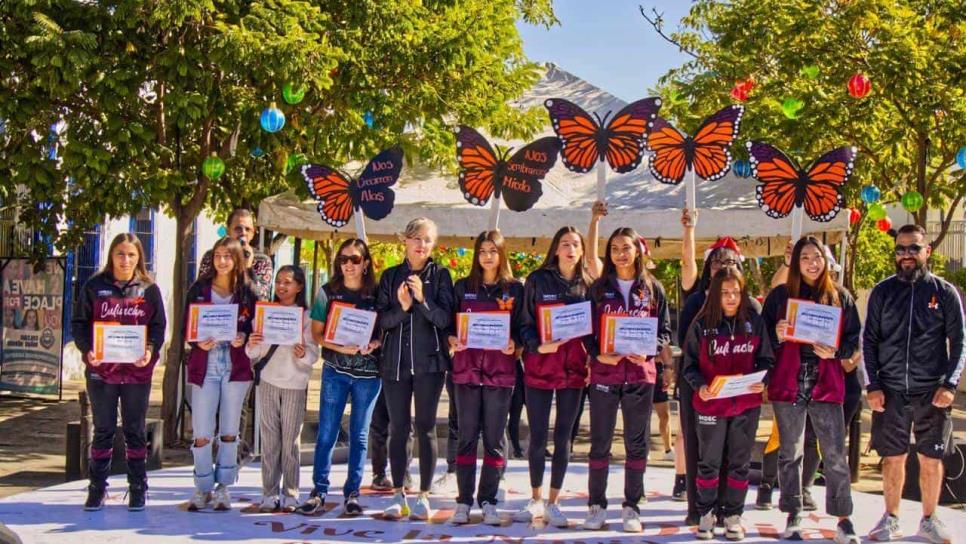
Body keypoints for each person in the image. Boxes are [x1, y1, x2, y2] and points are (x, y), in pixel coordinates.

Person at [864, 224, 962, 544]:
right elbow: (869, 341)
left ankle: (930, 519)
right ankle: (891, 518)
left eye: (913, 249)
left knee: (930, 460)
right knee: (893, 457)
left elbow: (959, 342)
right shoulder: (882, 292)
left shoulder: (945, 292)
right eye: (901, 249)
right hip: (890, 391)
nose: (906, 255)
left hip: (930, 391)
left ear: (927, 252)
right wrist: (873, 385)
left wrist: (949, 384)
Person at [762, 236, 861, 543]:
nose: (812, 263)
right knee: (790, 452)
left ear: (825, 260)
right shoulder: (780, 296)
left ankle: (843, 519)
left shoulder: (839, 296)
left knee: (834, 452)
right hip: (789, 380)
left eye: (817, 257)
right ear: (795, 262)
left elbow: (853, 340)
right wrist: (777, 335)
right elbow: (761, 339)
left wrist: (835, 353)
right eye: (805, 257)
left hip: (825, 382)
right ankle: (793, 514)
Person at [582, 228, 671, 533]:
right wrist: (597, 355)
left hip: (639, 375)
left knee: (637, 443)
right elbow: (586, 330)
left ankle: (632, 506)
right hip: (605, 374)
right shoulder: (598, 289)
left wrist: (649, 351)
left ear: (638, 251)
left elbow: (664, 332)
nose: (621, 253)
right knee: (600, 442)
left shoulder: (653, 288)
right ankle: (596, 505)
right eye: (615, 248)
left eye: (627, 247)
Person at [71, 233, 166, 511]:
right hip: (102, 372)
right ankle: (96, 488)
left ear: (139, 258)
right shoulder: (94, 286)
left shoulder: (149, 289)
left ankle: (138, 487)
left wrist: (149, 349)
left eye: (131, 255)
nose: (125, 260)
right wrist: (87, 348)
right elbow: (79, 323)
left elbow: (158, 327)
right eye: (120, 254)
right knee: (103, 430)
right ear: (111, 255)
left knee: (135, 430)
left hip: (137, 372)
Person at [682, 267, 774, 540]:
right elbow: (689, 366)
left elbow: (767, 359)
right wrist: (701, 387)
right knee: (708, 463)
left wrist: (763, 380)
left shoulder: (755, 322)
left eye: (736, 292)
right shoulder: (701, 325)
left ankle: (733, 515)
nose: (731, 298)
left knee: (740, 463)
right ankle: (706, 514)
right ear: (715, 295)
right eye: (725, 293)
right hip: (711, 407)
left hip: (745, 405)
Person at [513, 226, 594, 528]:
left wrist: (592, 360)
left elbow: (596, 331)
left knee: (564, 438)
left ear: (582, 250)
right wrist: (538, 345)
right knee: (536, 436)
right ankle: (534, 497)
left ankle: (554, 502)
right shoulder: (536, 280)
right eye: (564, 244)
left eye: (575, 244)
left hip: (573, 373)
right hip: (539, 369)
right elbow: (524, 324)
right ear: (556, 249)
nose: (570, 249)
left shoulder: (590, 285)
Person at [296, 239, 382, 515]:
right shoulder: (327, 292)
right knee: (327, 433)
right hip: (335, 371)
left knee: (359, 435)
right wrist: (338, 346)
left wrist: (375, 344)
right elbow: (317, 334)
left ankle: (352, 493)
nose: (348, 264)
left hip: (369, 374)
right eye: (343, 259)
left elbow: (386, 331)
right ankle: (319, 491)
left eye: (355, 259)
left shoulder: (378, 294)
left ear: (365, 263)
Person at [378, 217, 455, 520]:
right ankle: (399, 493)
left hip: (430, 364)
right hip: (394, 364)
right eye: (416, 238)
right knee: (398, 429)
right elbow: (382, 321)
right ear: (405, 241)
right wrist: (402, 308)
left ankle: (423, 496)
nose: (421, 245)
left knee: (425, 428)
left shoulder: (441, 276)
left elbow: (445, 319)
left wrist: (422, 300)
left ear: (433, 244)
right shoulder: (389, 276)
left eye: (427, 240)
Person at [447, 230, 525, 525]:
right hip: (466, 372)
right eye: (482, 251)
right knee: (466, 437)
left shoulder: (515, 290)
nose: (487, 256)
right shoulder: (462, 287)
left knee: (494, 439)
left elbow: (523, 327)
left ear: (502, 254)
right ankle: (464, 501)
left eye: (493, 250)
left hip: (500, 374)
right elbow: (448, 325)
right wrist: (451, 339)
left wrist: (515, 344)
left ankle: (489, 500)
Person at [676, 236, 751, 522]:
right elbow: (685, 343)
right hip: (697, 383)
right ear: (708, 267)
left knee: (732, 450)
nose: (723, 266)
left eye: (730, 261)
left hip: (735, 387)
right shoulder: (696, 300)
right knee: (699, 447)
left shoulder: (748, 305)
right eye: (718, 261)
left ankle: (727, 509)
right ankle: (699, 509)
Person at [184, 237, 257, 512]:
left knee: (229, 431)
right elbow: (186, 328)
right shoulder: (199, 289)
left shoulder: (248, 291)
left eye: (228, 256)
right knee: (202, 432)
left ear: (237, 259)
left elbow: (257, 326)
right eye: (218, 255)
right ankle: (202, 487)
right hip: (205, 365)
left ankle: (224, 487)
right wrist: (196, 342)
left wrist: (244, 336)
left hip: (236, 366)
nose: (222, 261)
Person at [246, 265, 317, 513]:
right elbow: (253, 353)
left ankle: (291, 492)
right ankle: (269, 493)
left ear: (299, 286)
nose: (282, 287)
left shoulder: (307, 318)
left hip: (294, 384)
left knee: (290, 441)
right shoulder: (264, 313)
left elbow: (313, 355)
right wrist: (252, 343)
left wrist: (303, 354)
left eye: (288, 282)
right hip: (268, 380)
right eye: (279, 281)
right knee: (269, 440)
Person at [198, 208, 273, 300]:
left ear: (253, 233)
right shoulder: (211, 256)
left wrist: (248, 268)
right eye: (238, 228)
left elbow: (262, 298)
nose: (243, 233)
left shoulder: (262, 260)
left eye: (248, 229)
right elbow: (200, 291)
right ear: (228, 230)